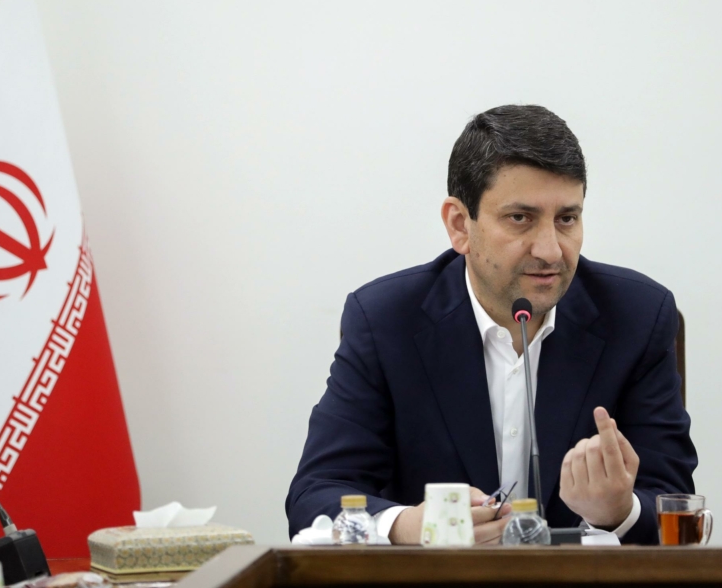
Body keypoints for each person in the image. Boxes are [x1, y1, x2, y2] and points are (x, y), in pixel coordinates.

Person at [286, 105, 697, 545]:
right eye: (520, 218)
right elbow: (316, 496)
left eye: (567, 219)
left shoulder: (638, 317)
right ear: (460, 225)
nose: (550, 250)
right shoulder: (386, 320)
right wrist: (411, 526)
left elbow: (675, 506)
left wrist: (619, 511)